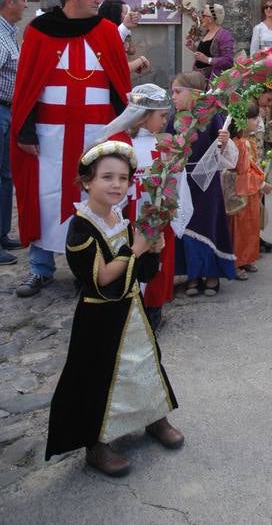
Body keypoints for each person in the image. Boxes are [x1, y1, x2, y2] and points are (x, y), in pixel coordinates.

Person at [45, 141, 182, 476]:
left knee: (144, 366)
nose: (116, 184)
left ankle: (153, 417)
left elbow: (141, 271)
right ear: (87, 181)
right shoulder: (81, 227)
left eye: (123, 178)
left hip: (131, 312)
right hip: (99, 319)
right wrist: (136, 249)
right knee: (96, 377)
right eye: (107, 177)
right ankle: (97, 444)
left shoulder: (119, 217)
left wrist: (152, 249)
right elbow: (101, 280)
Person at [11, 0, 131, 298]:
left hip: (97, 133)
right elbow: (27, 87)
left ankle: (87, 270)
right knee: (44, 196)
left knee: (94, 198)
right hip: (50, 135)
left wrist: (124, 128)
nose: (99, 0)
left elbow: (119, 85)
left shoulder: (106, 32)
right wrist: (25, 131)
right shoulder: (39, 32)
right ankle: (40, 269)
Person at [99, 83, 190, 333]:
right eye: (161, 116)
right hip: (126, 219)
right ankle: (126, 308)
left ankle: (153, 308)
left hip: (158, 220)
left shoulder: (166, 145)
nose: (165, 121)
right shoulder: (119, 145)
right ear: (143, 116)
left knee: (156, 267)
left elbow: (176, 185)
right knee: (127, 261)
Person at [170, 71, 237, 296]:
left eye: (178, 92)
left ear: (196, 93)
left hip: (206, 179)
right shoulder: (176, 119)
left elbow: (223, 144)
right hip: (182, 180)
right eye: (172, 92)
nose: (173, 97)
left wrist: (224, 141)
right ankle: (193, 275)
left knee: (207, 222)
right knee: (186, 224)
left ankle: (211, 274)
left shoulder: (211, 116)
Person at [227, 104, 272, 280]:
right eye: (253, 118)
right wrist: (262, 184)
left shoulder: (247, 141)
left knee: (251, 225)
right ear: (241, 121)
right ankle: (236, 261)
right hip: (241, 190)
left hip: (250, 189)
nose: (257, 121)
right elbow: (243, 171)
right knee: (239, 227)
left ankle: (247, 257)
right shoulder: (238, 143)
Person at [0, 0, 28, 265]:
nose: (25, 4)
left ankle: (2, 233)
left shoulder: (10, 32)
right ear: (9, 2)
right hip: (0, 111)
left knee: (6, 177)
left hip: (8, 111)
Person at [98, 0, 150, 76]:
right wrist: (141, 60)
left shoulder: (122, 33)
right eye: (125, 13)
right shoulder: (104, 37)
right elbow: (120, 68)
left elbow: (131, 51)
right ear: (116, 15)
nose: (128, 15)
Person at [187, 3, 234, 83]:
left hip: (213, 81)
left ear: (210, 19)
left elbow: (228, 60)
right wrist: (194, 48)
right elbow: (205, 54)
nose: (201, 18)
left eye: (203, 15)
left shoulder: (224, 35)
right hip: (199, 79)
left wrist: (208, 60)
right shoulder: (207, 33)